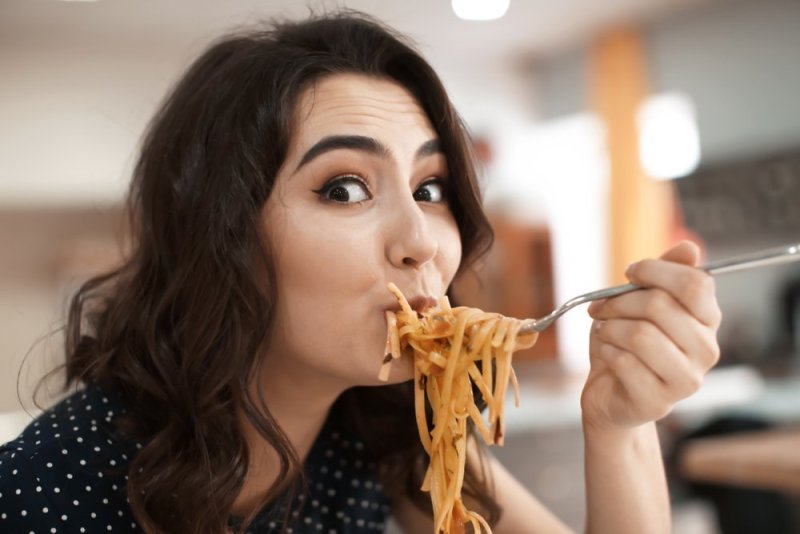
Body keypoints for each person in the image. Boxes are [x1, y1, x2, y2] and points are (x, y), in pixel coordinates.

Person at [0, 10, 722, 534]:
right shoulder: (47, 496)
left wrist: (621, 424)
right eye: (344, 188)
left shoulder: (376, 429)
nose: (422, 242)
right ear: (219, 235)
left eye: (431, 188)